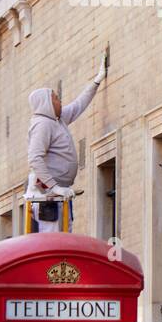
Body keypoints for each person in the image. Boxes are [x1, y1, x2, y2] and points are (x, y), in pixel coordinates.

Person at [26, 55, 107, 232]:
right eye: (55, 98)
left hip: (60, 193)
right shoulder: (43, 124)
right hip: (47, 196)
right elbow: (35, 158)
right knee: (52, 242)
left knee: (64, 238)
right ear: (46, 103)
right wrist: (53, 187)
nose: (59, 100)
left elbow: (79, 104)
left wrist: (96, 81)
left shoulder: (57, 119)